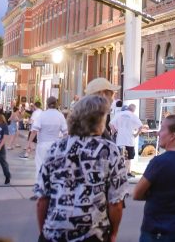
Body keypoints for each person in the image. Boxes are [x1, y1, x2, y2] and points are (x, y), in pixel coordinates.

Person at [35, 95, 127, 242]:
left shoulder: (56, 148)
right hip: (92, 235)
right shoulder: (109, 150)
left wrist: (44, 232)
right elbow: (115, 202)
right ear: (98, 120)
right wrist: (113, 234)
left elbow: (42, 198)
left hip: (54, 233)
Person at [133, 114, 175, 242]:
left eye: (162, 129)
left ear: (172, 135)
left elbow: (136, 193)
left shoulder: (159, 162)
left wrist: (154, 195)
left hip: (157, 230)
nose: (158, 133)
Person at [33, 96, 68, 184]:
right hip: (55, 144)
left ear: (47, 104)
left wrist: (29, 143)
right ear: (56, 104)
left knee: (40, 165)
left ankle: (40, 187)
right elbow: (66, 132)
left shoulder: (42, 115)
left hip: (43, 144)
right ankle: (52, 186)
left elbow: (34, 130)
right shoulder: (60, 115)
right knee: (54, 166)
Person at [114, 103, 144, 176]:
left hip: (120, 140)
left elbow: (110, 124)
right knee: (128, 158)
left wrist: (115, 132)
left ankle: (124, 172)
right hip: (129, 140)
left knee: (121, 157)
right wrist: (136, 135)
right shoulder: (133, 116)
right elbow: (141, 126)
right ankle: (126, 173)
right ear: (133, 110)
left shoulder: (119, 114)